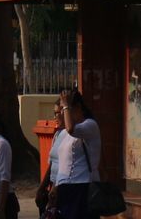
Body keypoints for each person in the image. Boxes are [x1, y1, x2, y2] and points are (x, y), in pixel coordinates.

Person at [48, 88, 101, 219]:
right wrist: (55, 186)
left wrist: (66, 104)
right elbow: (62, 163)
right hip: (65, 188)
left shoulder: (90, 125)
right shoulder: (64, 133)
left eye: (64, 109)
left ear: (76, 107)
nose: (61, 113)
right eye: (61, 110)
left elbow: (71, 129)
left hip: (82, 187)